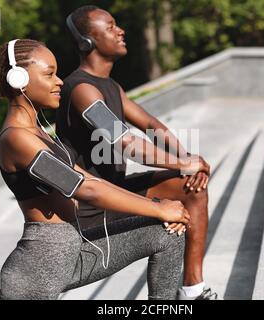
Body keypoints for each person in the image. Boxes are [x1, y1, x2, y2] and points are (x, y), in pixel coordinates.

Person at [0, 38, 191, 300]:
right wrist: (158, 207)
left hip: (77, 254)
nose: (59, 81)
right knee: (163, 219)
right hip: (37, 270)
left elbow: (91, 180)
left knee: (166, 234)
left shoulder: (39, 132)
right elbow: (84, 188)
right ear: (19, 80)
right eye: (49, 74)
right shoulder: (16, 139)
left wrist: (159, 206)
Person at [56, 6, 217, 300]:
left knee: (192, 189)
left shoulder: (111, 86)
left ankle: (193, 291)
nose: (121, 31)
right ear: (87, 43)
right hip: (91, 207)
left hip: (116, 192)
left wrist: (188, 163)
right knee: (179, 199)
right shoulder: (80, 89)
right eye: (111, 27)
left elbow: (152, 125)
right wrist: (184, 163)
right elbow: (124, 141)